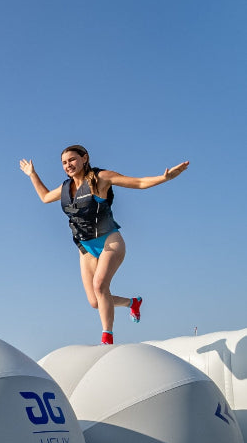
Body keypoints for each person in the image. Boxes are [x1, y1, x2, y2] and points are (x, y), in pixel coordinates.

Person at [19, 145, 189, 344]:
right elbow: (45, 197)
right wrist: (32, 174)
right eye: (64, 162)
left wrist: (164, 178)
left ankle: (107, 338)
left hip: (109, 240)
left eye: (72, 159)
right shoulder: (66, 187)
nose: (68, 165)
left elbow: (139, 182)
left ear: (85, 158)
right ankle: (132, 303)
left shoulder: (101, 178)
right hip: (85, 247)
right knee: (94, 301)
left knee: (100, 286)